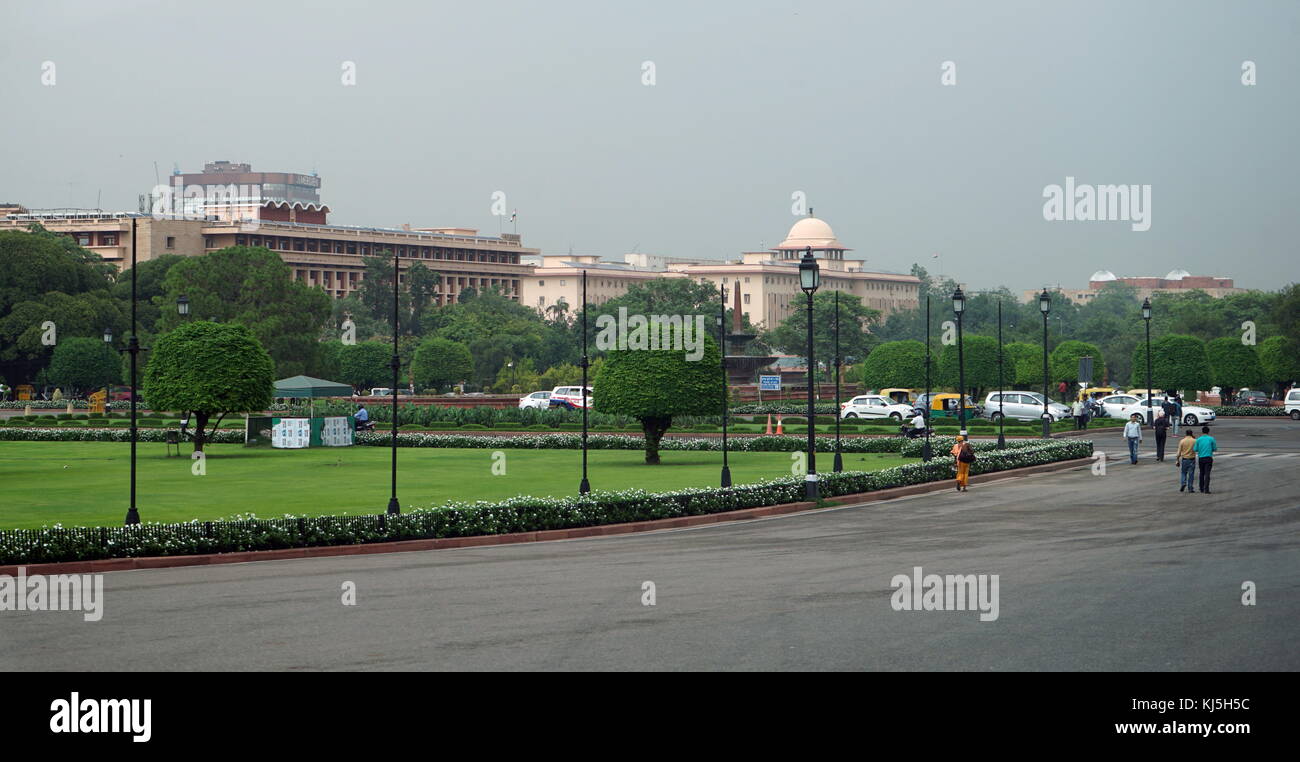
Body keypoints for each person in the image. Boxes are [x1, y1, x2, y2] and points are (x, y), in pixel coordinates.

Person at [1194, 424, 1218, 493]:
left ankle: (1201, 488)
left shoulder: (1198, 439)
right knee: (1207, 474)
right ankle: (1206, 489)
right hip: (1208, 458)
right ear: (1208, 432)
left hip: (1201, 458)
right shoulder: (1211, 439)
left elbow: (1195, 449)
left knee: (1201, 473)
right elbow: (1214, 449)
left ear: (1202, 431)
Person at [1175, 428, 1198, 493]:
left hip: (1184, 459)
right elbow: (1196, 449)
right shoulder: (1194, 441)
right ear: (1191, 433)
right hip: (1192, 459)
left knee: (1183, 473)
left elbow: (1179, 452)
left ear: (1186, 434)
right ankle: (1190, 488)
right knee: (1191, 474)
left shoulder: (1182, 441)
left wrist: (1177, 460)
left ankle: (1183, 483)